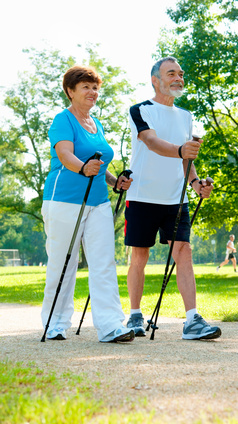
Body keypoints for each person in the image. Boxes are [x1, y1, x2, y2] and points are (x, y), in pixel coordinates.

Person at [124, 57, 221, 340]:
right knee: (139, 256)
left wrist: (196, 184)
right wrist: (182, 151)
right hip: (142, 196)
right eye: (171, 73)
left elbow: (186, 158)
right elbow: (152, 143)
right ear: (155, 80)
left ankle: (192, 320)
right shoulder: (140, 110)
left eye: (180, 73)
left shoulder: (187, 116)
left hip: (176, 199)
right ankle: (134, 316)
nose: (178, 77)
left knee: (184, 252)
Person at [41, 65, 134, 343]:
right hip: (64, 201)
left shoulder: (97, 123)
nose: (93, 92)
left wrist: (114, 181)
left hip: (98, 203)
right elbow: (66, 155)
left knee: (104, 262)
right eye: (86, 87)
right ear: (70, 91)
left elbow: (98, 164)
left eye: (95, 87)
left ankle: (110, 326)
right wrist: (83, 169)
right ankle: (55, 323)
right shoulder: (63, 120)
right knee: (63, 263)